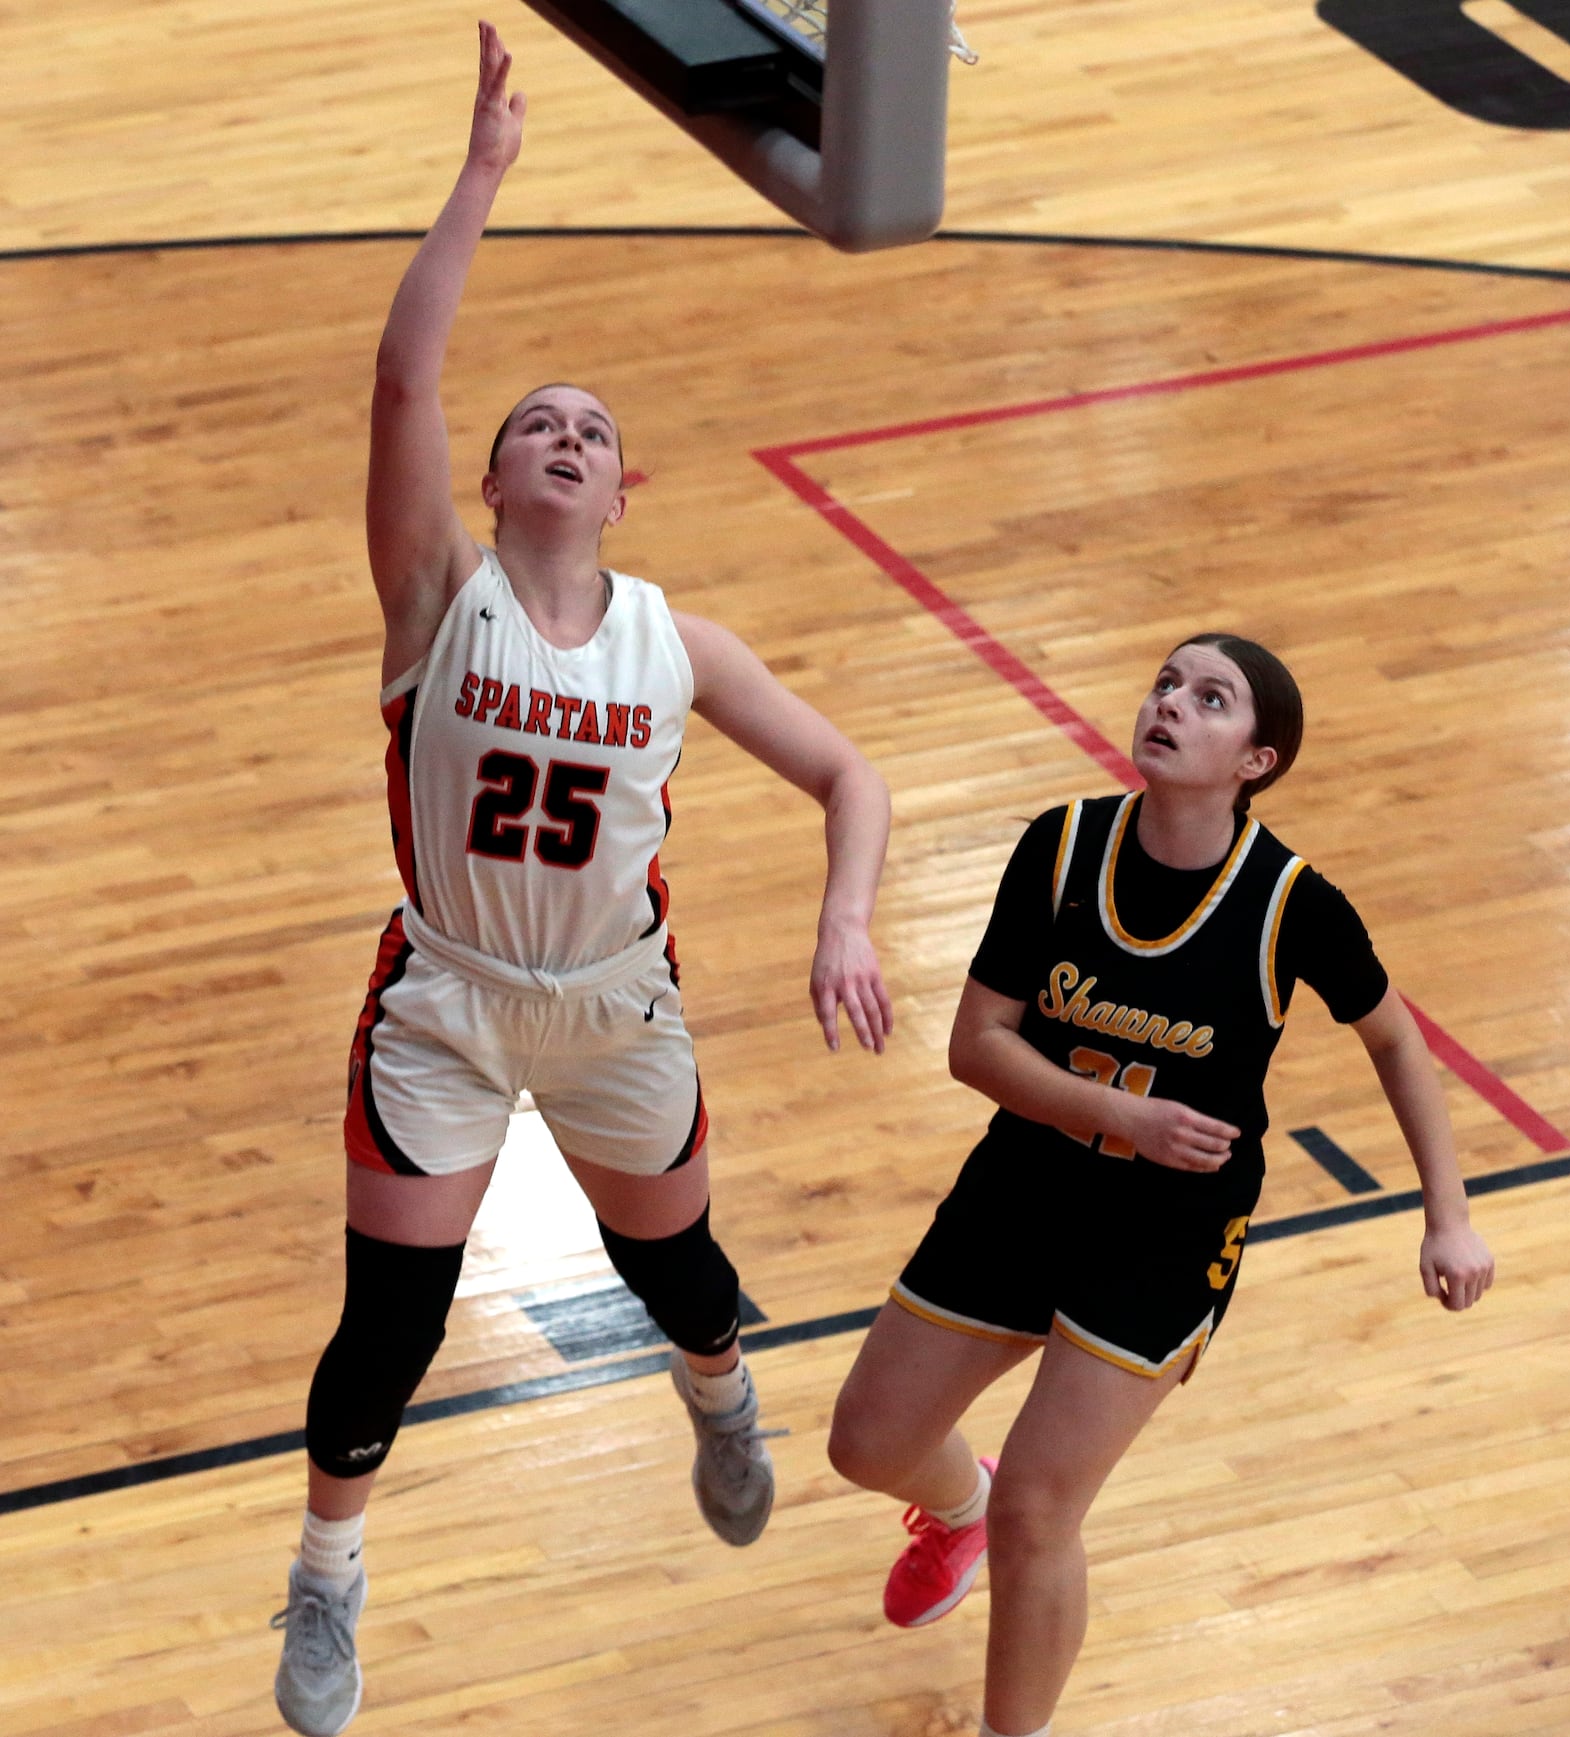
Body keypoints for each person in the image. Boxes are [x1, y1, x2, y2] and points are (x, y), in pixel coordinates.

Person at [269, 23, 893, 1735]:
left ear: (624, 488)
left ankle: (722, 1397)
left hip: (620, 1007)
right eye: (534, 423)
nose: (562, 433)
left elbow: (853, 775)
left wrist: (844, 916)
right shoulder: (436, 596)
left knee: (679, 1277)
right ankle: (326, 1579)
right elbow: (401, 379)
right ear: (488, 482)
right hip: (449, 1005)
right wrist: (482, 177)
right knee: (388, 1329)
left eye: (592, 429)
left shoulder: (678, 641)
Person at [827, 632, 1494, 1737]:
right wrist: (1120, 1115)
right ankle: (957, 1507)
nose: (1171, 704)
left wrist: (1448, 1217)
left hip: (1169, 1233)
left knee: (1043, 1507)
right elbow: (975, 1044)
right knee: (866, 1443)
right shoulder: (1061, 846)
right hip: (1024, 1184)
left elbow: (1395, 1039)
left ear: (1256, 760)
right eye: (1166, 683)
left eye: (1210, 698)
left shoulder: (1291, 902)